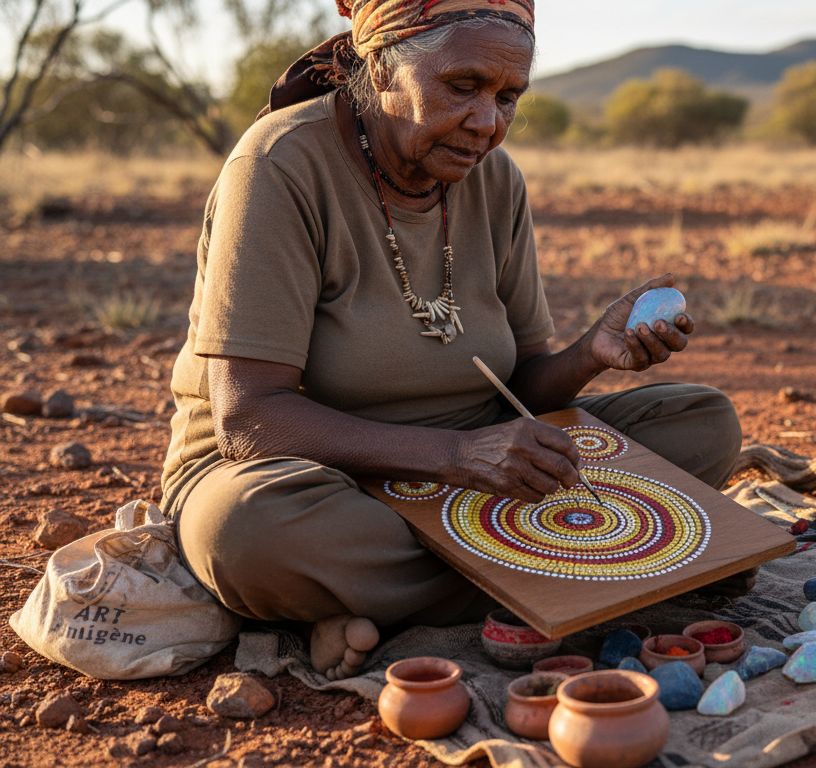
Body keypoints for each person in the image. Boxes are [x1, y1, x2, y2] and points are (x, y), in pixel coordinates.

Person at [160, 0, 743, 681]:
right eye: (463, 87)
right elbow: (250, 418)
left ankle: (410, 600)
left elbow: (521, 388)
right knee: (243, 534)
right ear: (379, 69)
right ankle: (591, 575)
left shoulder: (495, 180)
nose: (488, 124)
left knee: (700, 422)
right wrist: (460, 455)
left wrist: (589, 355)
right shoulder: (282, 163)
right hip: (314, 473)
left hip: (479, 472)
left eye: (509, 97)